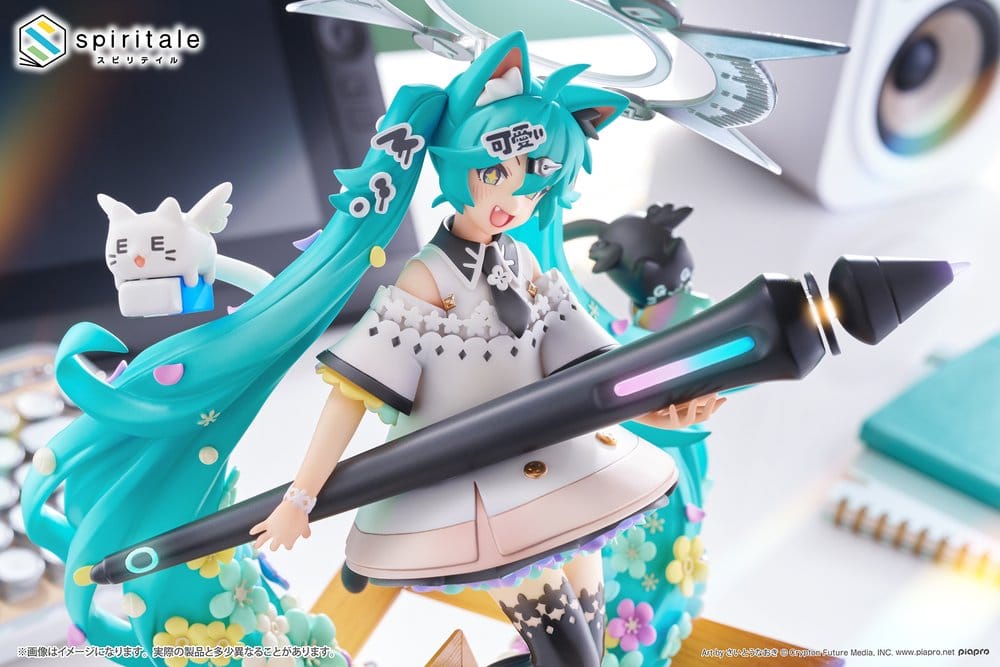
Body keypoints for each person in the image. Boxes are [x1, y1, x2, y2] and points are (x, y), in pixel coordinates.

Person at [248, 32, 722, 667]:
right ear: (459, 162)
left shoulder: (525, 263)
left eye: (533, 187)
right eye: (495, 174)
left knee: (591, 643)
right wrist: (299, 499)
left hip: (566, 473)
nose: (511, 201)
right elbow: (351, 396)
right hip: (486, 500)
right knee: (571, 655)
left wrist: (665, 407)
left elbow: (596, 371)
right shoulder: (427, 280)